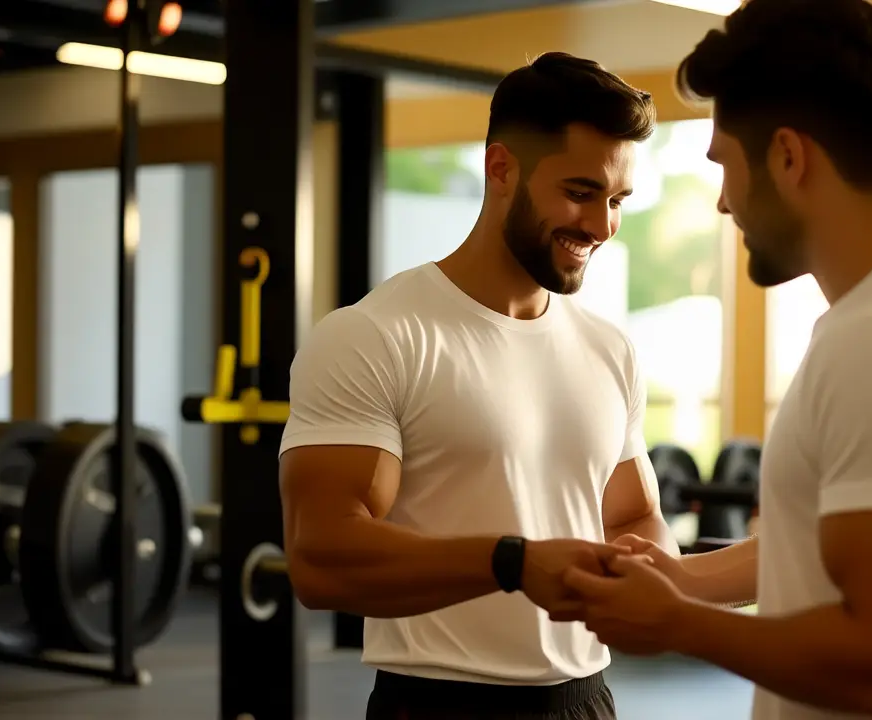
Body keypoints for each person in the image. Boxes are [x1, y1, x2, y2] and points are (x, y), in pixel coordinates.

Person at [559, 1, 872, 719]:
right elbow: (845, 542)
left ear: (789, 158)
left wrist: (677, 623)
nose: (724, 203)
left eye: (726, 165)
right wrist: (679, 579)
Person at [278, 51, 679, 720]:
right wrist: (511, 564)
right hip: (439, 702)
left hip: (586, 699)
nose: (602, 225)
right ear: (501, 168)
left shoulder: (609, 349)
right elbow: (321, 559)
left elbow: (633, 515)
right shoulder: (376, 335)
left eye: (617, 201)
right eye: (580, 192)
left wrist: (651, 565)